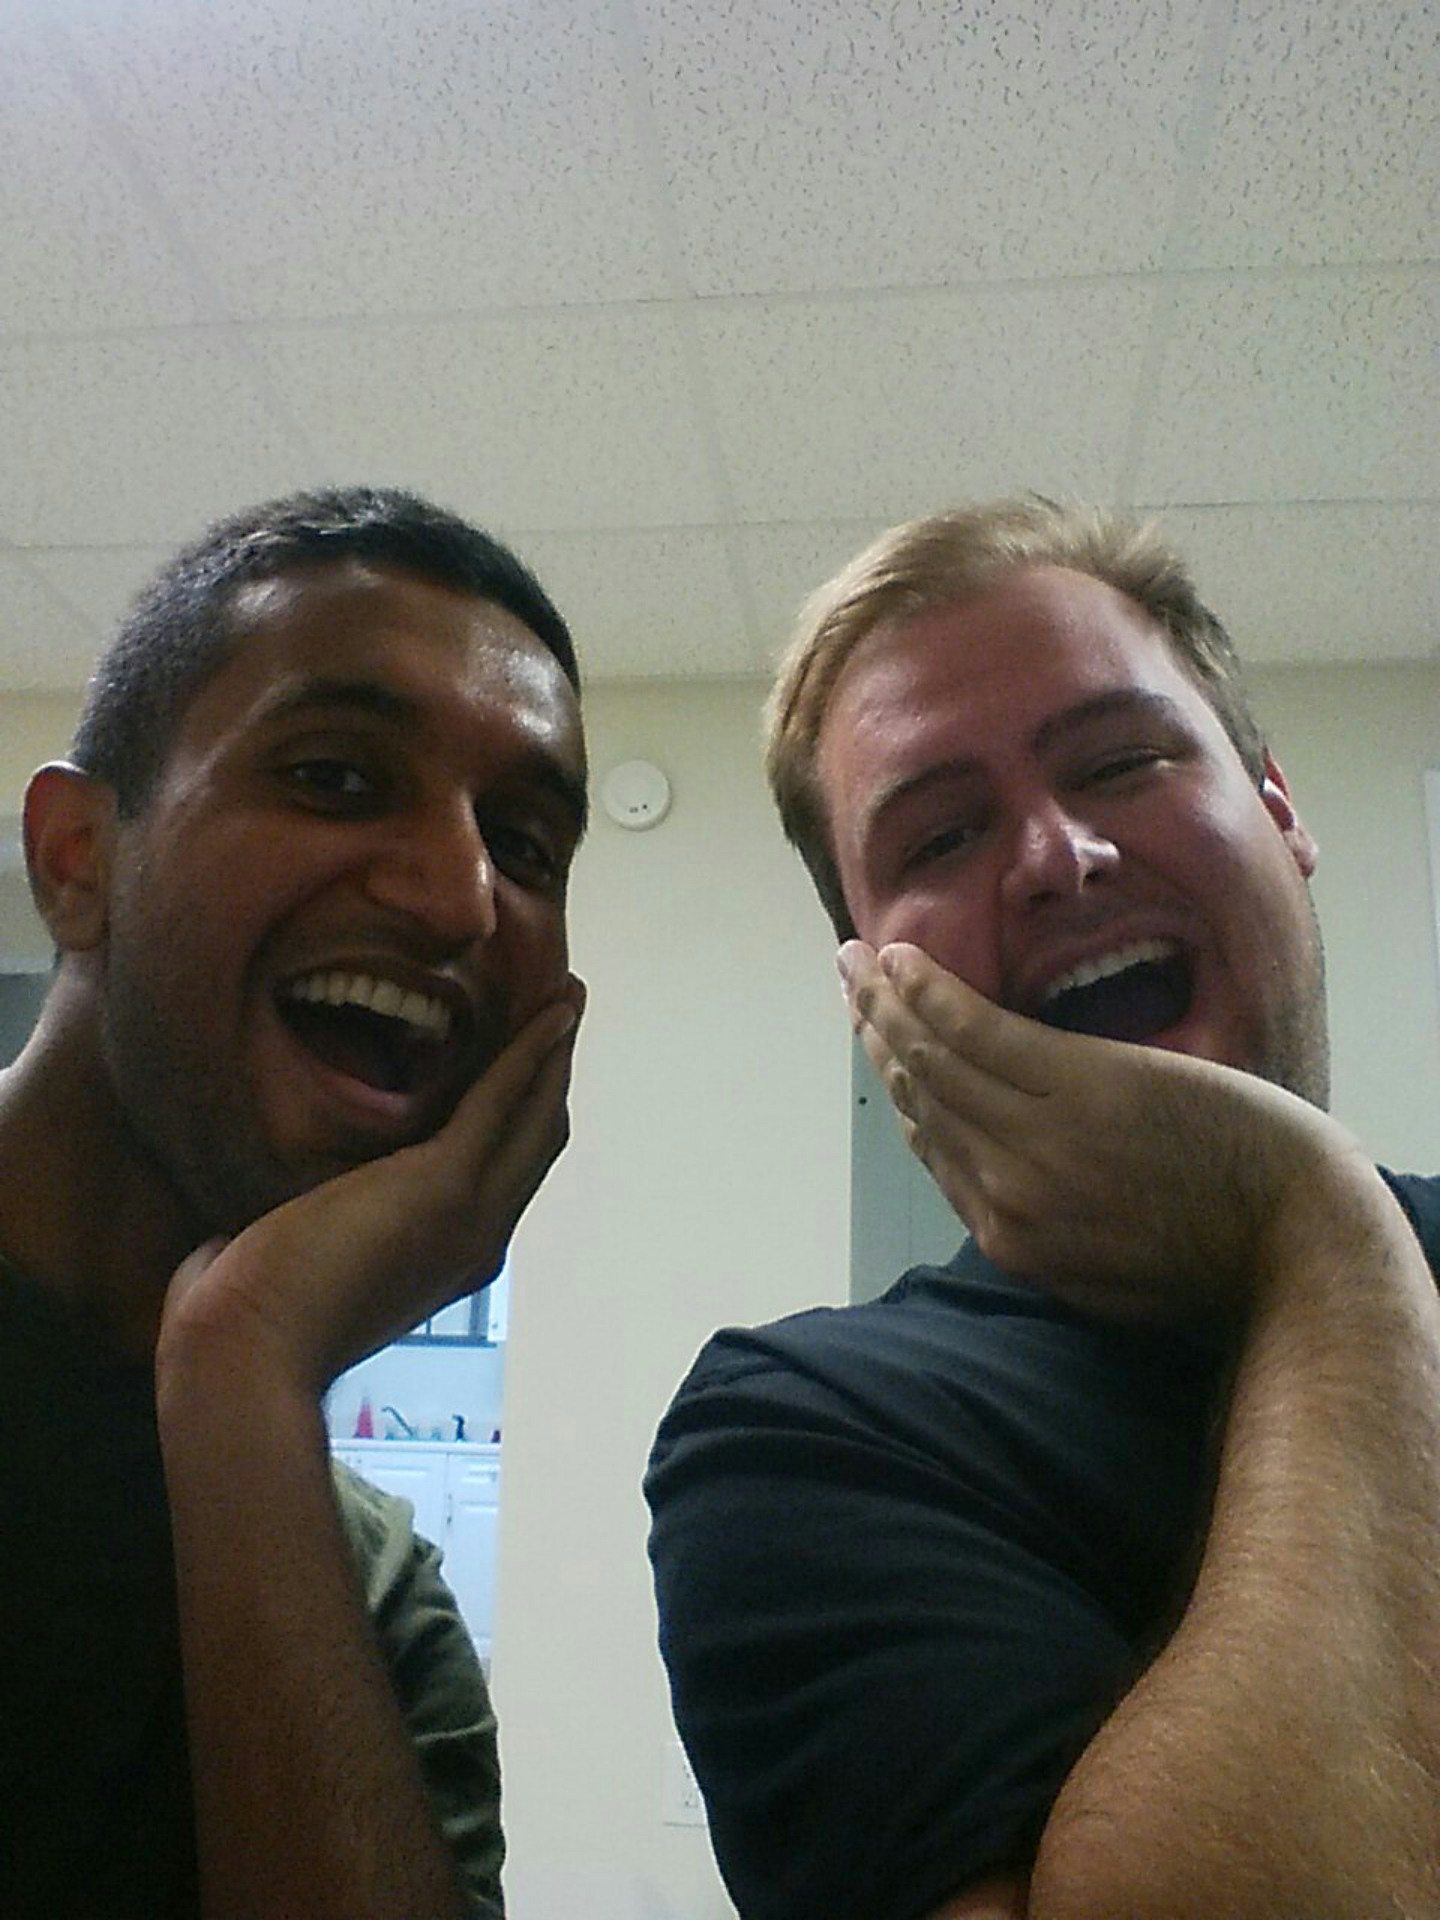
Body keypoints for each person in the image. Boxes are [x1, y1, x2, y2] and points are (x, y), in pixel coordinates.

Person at [645, 498, 1440, 1920]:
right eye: (943, 835)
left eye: (1123, 762)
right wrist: (1320, 1229)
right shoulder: (801, 1435)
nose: (1059, 857)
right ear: (873, 986)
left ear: (1277, 808)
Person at [0, 486, 590, 1920]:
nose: (460, 898)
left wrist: (244, 1363)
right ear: (78, 860)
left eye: (525, 844)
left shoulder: (369, 1599)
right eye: (337, 777)